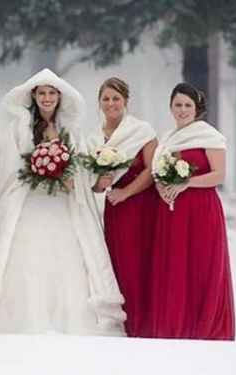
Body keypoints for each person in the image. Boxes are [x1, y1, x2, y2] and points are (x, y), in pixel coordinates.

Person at [0, 68, 125, 336]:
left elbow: (80, 164)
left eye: (52, 93)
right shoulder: (19, 127)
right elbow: (8, 169)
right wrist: (37, 170)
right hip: (29, 202)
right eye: (42, 93)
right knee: (24, 254)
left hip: (62, 203)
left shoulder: (71, 129)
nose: (47, 98)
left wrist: (70, 177)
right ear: (34, 96)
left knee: (68, 256)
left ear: (59, 96)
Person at [146, 83, 234, 340]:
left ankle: (204, 327)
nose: (182, 110)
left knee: (200, 265)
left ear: (197, 109)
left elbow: (218, 175)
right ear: (171, 107)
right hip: (171, 210)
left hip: (200, 209)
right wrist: (163, 185)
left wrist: (186, 183)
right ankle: (175, 325)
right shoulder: (168, 138)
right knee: (175, 264)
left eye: (187, 105)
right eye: (178, 105)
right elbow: (158, 170)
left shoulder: (209, 136)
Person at [89, 77, 158, 337]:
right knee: (120, 264)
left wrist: (125, 192)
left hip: (142, 204)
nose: (111, 103)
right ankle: (127, 324)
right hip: (116, 209)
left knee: (142, 263)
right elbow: (93, 184)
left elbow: (152, 169)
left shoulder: (142, 131)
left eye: (116, 98)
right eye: (106, 99)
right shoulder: (95, 137)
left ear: (126, 101)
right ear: (99, 103)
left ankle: (147, 324)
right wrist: (100, 183)